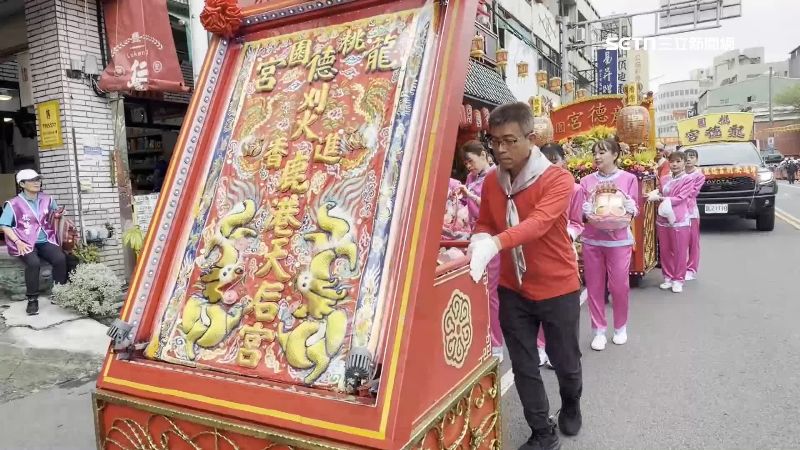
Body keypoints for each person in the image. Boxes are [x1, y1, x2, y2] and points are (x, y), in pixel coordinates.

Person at [469, 102, 582, 450]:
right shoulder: (491, 182)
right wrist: (479, 237)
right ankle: (542, 432)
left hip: (557, 286)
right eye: (494, 141)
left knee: (565, 361)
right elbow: (487, 220)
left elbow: (538, 224)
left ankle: (572, 402)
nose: (500, 149)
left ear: (530, 139)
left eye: (509, 140)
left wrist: (496, 243)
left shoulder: (558, 179)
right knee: (523, 364)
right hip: (513, 288)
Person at [579, 139, 639, 351]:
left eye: (602, 152)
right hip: (592, 240)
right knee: (594, 286)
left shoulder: (629, 179)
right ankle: (598, 331)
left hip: (619, 240)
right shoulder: (586, 181)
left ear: (615, 154)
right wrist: (584, 210)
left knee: (619, 285)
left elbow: (634, 209)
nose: (597, 156)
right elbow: (581, 214)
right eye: (594, 152)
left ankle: (620, 327)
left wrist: (632, 206)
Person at [537, 142, 584, 368]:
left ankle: (561, 351)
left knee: (561, 305)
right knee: (538, 300)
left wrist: (568, 234)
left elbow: (577, 222)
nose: (551, 167)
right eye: (546, 162)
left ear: (563, 161)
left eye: (554, 161)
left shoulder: (574, 189)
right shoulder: (534, 187)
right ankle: (540, 346)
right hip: (538, 252)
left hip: (563, 251)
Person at [458, 140, 504, 361]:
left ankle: (496, 344)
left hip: (492, 240)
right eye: (466, 163)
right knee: (478, 290)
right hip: (475, 238)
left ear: (484, 155)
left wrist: (471, 196)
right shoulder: (471, 178)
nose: (469, 166)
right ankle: (482, 337)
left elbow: (493, 208)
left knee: (491, 293)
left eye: (471, 160)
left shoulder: (497, 176)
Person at [0, 170, 68, 315]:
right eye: (32, 180)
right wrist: (18, 241)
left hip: (45, 239)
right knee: (33, 263)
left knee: (60, 258)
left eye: (38, 179)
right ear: (22, 184)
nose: (37, 182)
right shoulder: (13, 204)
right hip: (24, 241)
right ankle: (32, 300)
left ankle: (59, 292)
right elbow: (4, 225)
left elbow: (54, 213)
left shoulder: (47, 199)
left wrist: (58, 214)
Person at [650, 151, 693, 293]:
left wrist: (662, 199)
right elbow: (662, 192)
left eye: (678, 161)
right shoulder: (664, 179)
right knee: (665, 250)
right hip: (663, 218)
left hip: (679, 218)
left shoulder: (688, 179)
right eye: (672, 161)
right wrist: (655, 194)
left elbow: (681, 197)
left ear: (684, 163)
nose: (674, 164)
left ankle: (678, 279)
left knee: (679, 250)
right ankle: (668, 277)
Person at [684, 149, 706, 280]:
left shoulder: (699, 176)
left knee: (693, 242)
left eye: (692, 157)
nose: (688, 159)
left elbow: (692, 193)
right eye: (686, 157)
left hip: (691, 212)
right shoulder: (676, 174)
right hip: (676, 213)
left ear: (696, 160)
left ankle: (691, 269)